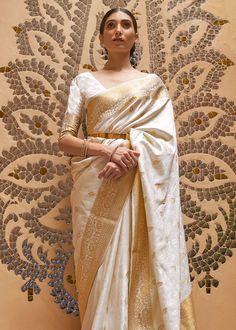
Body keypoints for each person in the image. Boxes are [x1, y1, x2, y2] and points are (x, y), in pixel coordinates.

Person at [58, 7, 196, 330]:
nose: (118, 30)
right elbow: (64, 139)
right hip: (96, 186)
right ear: (102, 38)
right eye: (111, 26)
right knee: (101, 274)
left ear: (135, 37)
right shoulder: (84, 82)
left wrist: (131, 154)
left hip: (139, 187)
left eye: (125, 25)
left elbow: (165, 144)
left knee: (141, 269)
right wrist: (107, 151)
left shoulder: (152, 85)